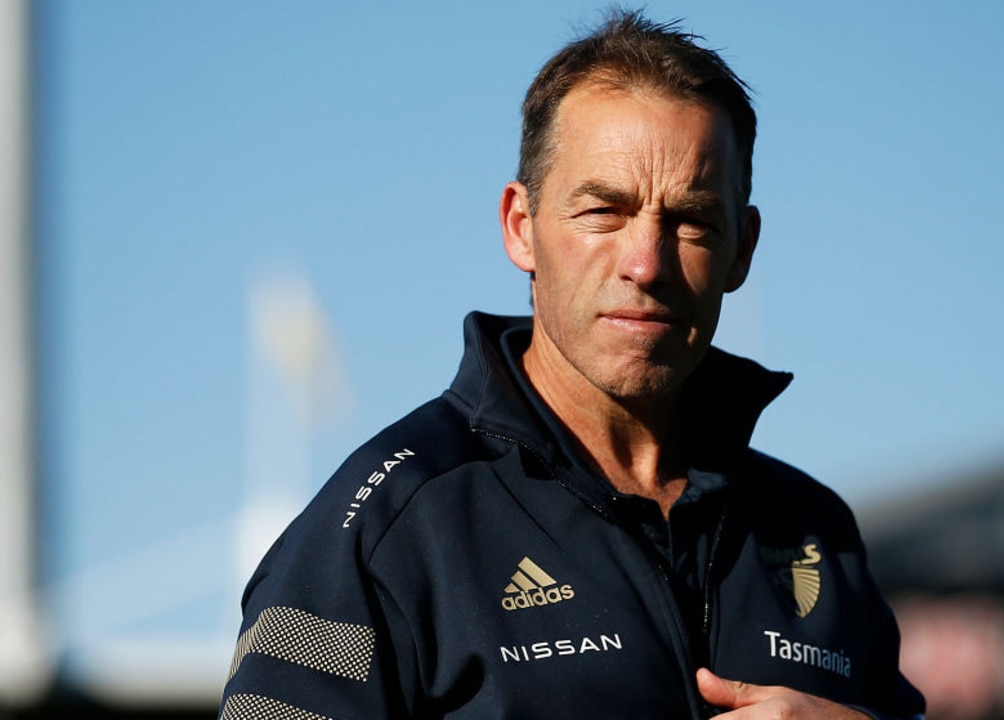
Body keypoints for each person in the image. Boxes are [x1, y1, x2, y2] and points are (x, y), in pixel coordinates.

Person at [220, 10, 925, 720]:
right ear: (521, 228)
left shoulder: (814, 531)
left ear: (742, 247)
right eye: (604, 212)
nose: (647, 263)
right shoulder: (386, 531)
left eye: (692, 221)